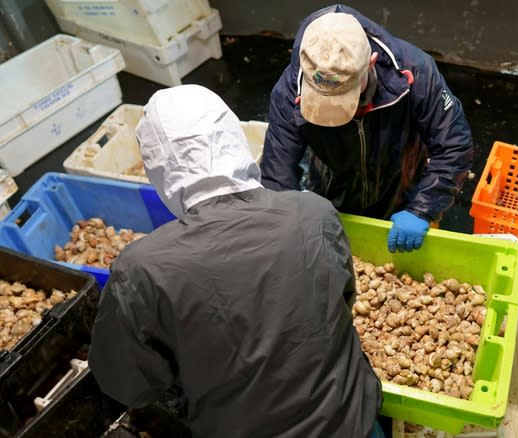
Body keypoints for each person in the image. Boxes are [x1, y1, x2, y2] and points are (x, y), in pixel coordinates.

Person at [88, 85, 384, 438]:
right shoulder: (313, 213)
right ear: (234, 139)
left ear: (159, 168)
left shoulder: (142, 270)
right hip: (354, 422)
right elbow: (343, 300)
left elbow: (125, 383)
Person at [260, 4, 474, 253]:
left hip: (404, 191)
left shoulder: (415, 72)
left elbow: (453, 145)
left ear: (371, 61)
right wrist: (283, 226)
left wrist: (423, 209)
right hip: (333, 194)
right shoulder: (289, 91)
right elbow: (278, 173)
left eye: (346, 93)